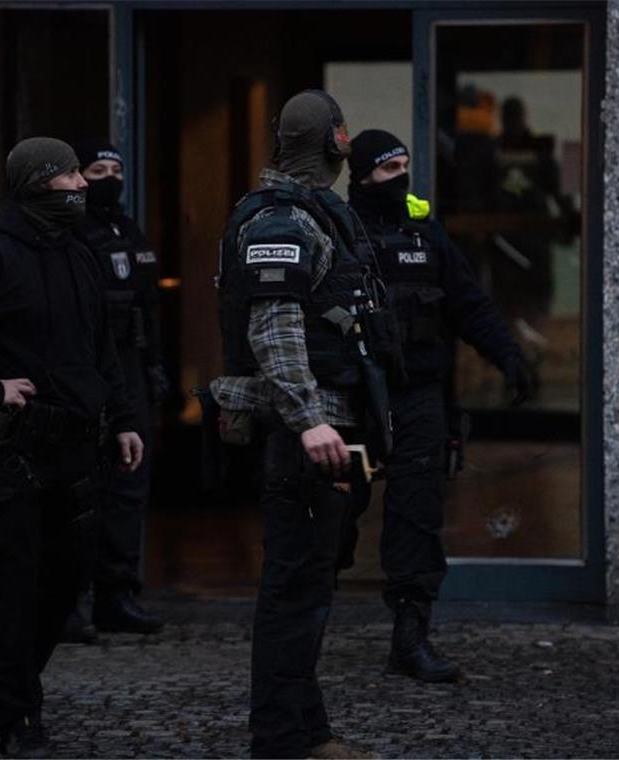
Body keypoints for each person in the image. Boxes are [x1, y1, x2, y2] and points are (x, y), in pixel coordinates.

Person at [0, 136, 143, 757]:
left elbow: (104, 349)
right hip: (12, 456)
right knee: (13, 590)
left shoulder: (81, 256)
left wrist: (122, 419)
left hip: (76, 454)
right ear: (40, 183)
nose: (83, 185)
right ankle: (19, 719)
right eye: (70, 176)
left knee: (65, 585)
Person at [210, 90, 385, 759]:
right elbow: (275, 329)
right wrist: (311, 420)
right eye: (344, 135)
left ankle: (308, 733)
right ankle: (280, 741)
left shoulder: (312, 215)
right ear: (335, 140)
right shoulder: (281, 220)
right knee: (291, 594)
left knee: (311, 589)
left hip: (330, 432)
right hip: (305, 437)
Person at [345, 129, 534, 684]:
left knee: (416, 517)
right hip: (355, 396)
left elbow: (468, 303)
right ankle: (302, 627)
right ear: (360, 176)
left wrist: (507, 355)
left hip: (419, 394)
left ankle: (410, 635)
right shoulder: (337, 232)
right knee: (329, 515)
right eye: (387, 169)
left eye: (404, 164)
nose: (400, 177)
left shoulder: (424, 233)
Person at [63, 139, 166, 638]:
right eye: (97, 169)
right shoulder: (69, 231)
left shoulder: (128, 231)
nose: (108, 178)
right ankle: (68, 601)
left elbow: (148, 306)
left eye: (115, 169)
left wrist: (155, 367)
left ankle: (115, 595)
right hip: (83, 371)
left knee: (129, 487)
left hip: (129, 368)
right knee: (80, 489)